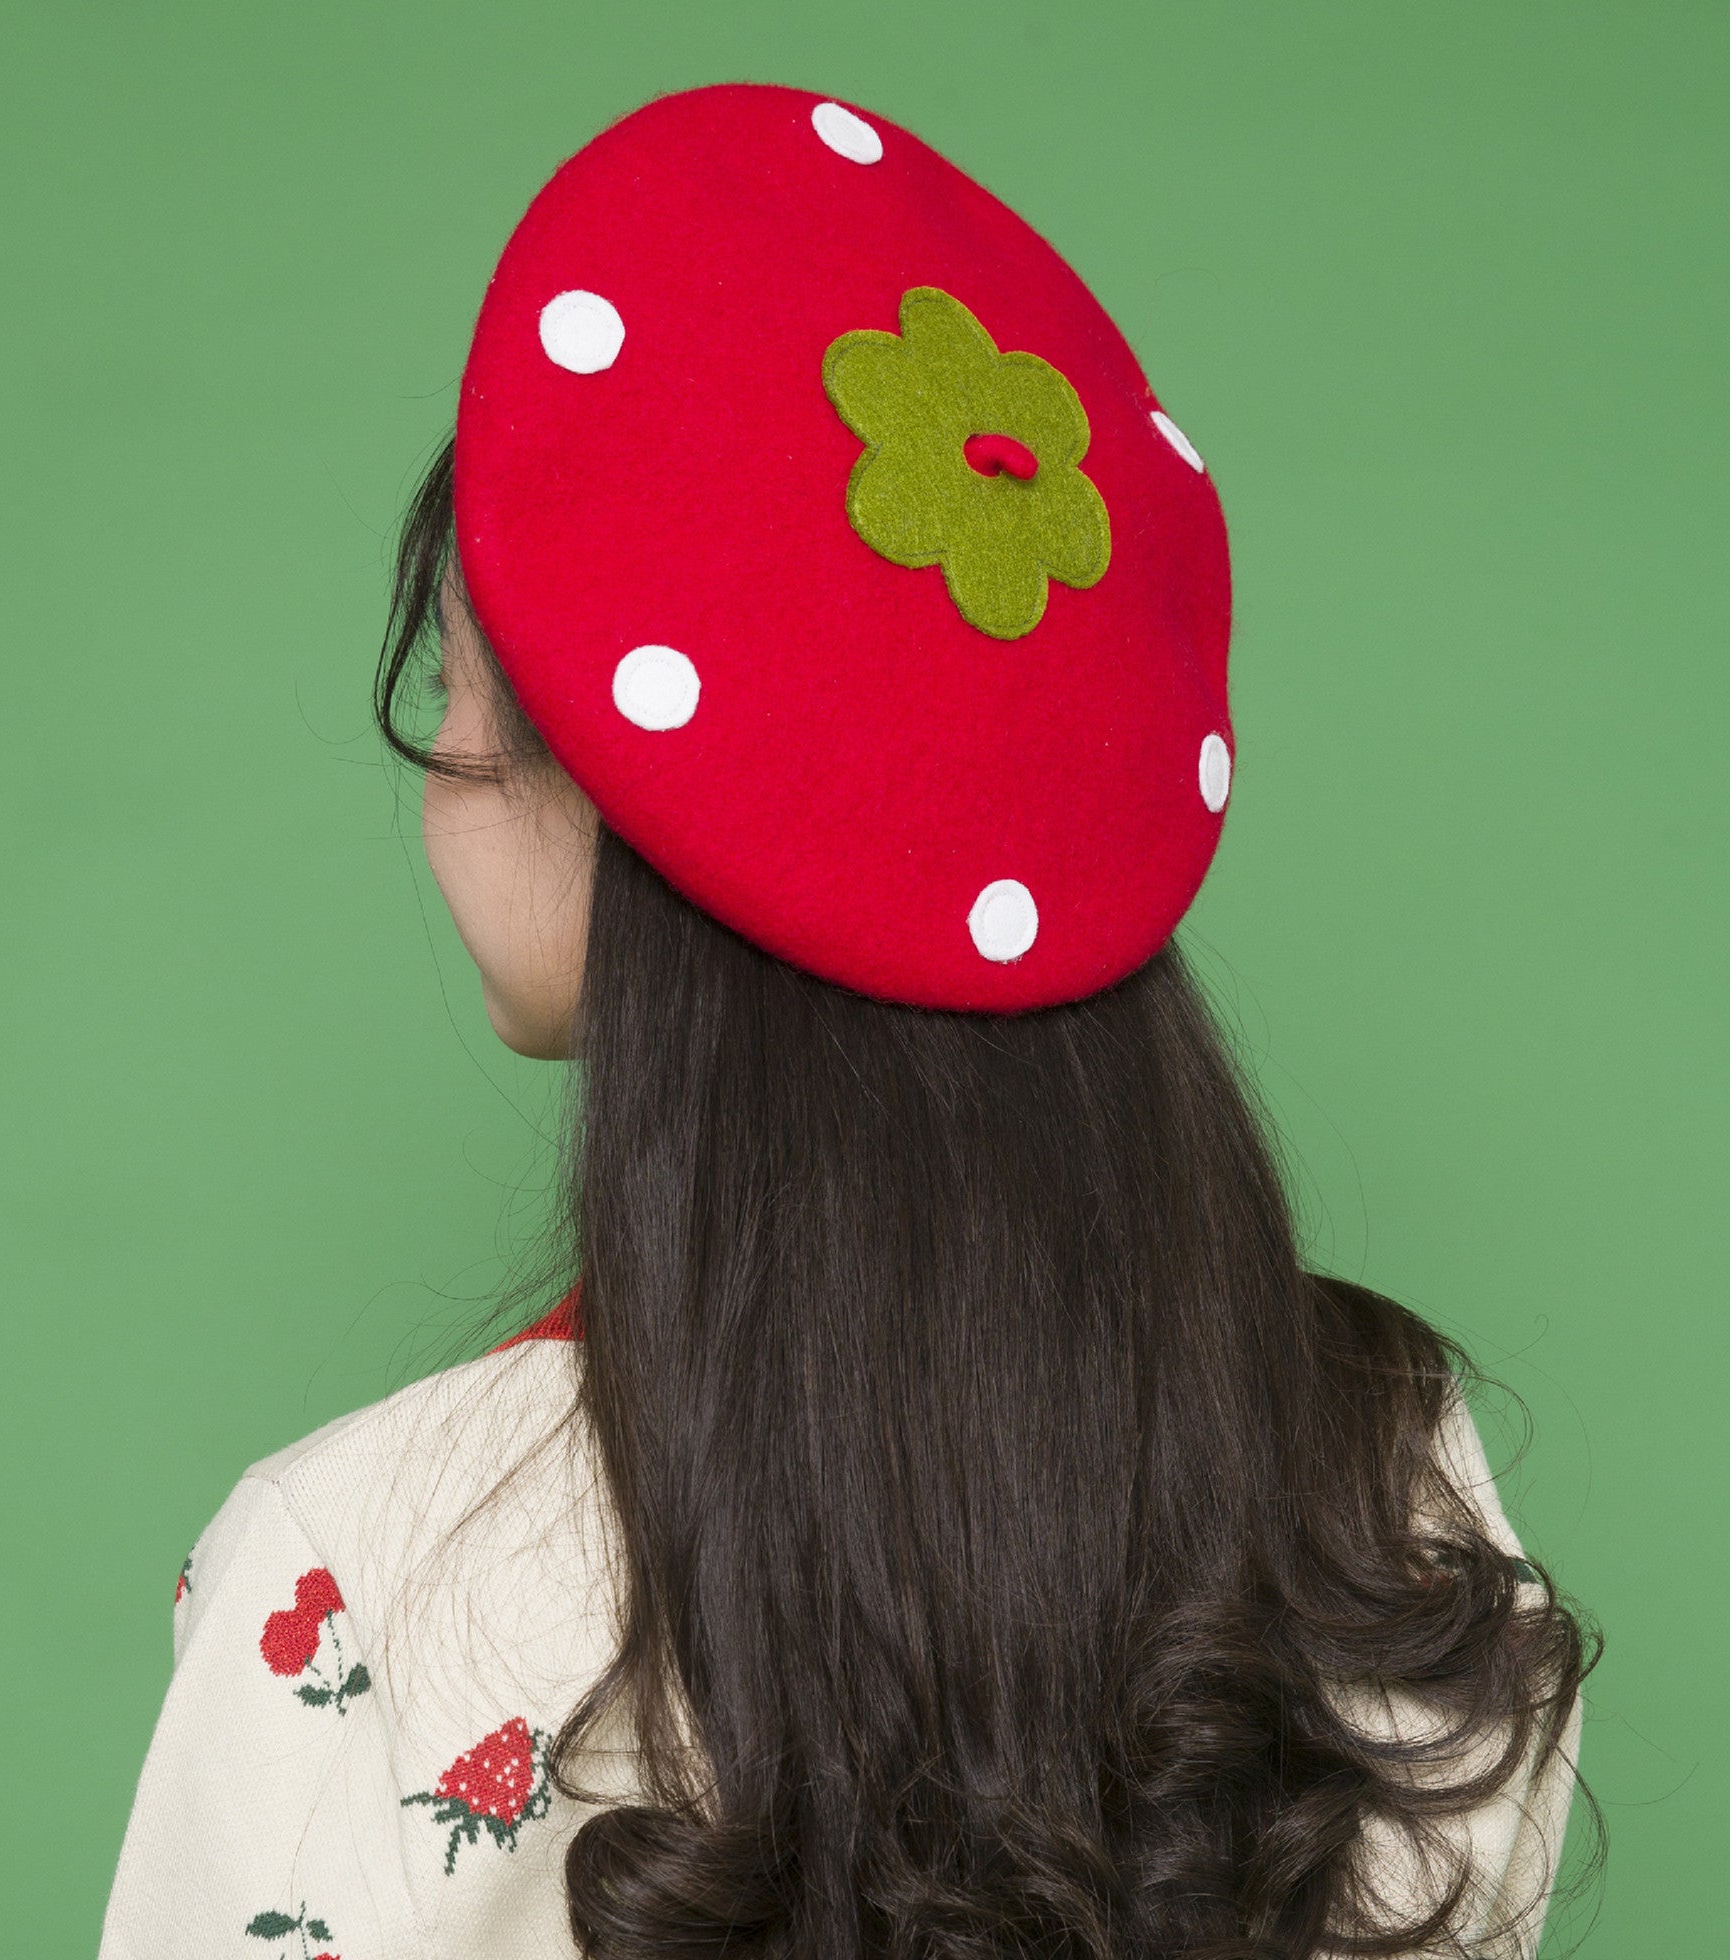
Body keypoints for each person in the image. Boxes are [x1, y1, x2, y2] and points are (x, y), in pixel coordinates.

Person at [100, 84, 1595, 1960]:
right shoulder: (1392, 1484)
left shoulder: (360, 1567)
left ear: (621, 788)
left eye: (462, 689)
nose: (440, 774)